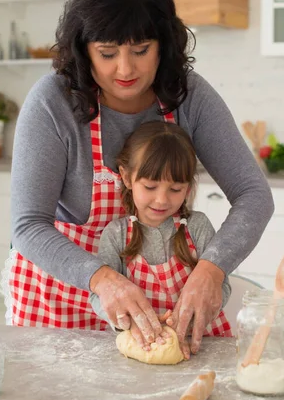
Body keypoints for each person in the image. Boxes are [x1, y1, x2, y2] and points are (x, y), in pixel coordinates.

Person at [7, 0, 274, 358]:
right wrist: (102, 278)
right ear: (83, 50)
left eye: (140, 50)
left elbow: (254, 195)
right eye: (108, 53)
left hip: (156, 314)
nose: (126, 69)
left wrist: (211, 270)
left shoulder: (188, 97)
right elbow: (27, 225)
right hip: (58, 301)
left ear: (164, 44)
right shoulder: (52, 102)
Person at [89, 120, 233, 355]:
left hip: (203, 346)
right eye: (150, 187)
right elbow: (99, 297)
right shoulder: (116, 235)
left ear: (188, 187)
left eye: (175, 189)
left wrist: (192, 317)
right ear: (126, 178)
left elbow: (221, 286)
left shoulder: (197, 227)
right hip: (142, 344)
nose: (162, 200)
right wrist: (127, 320)